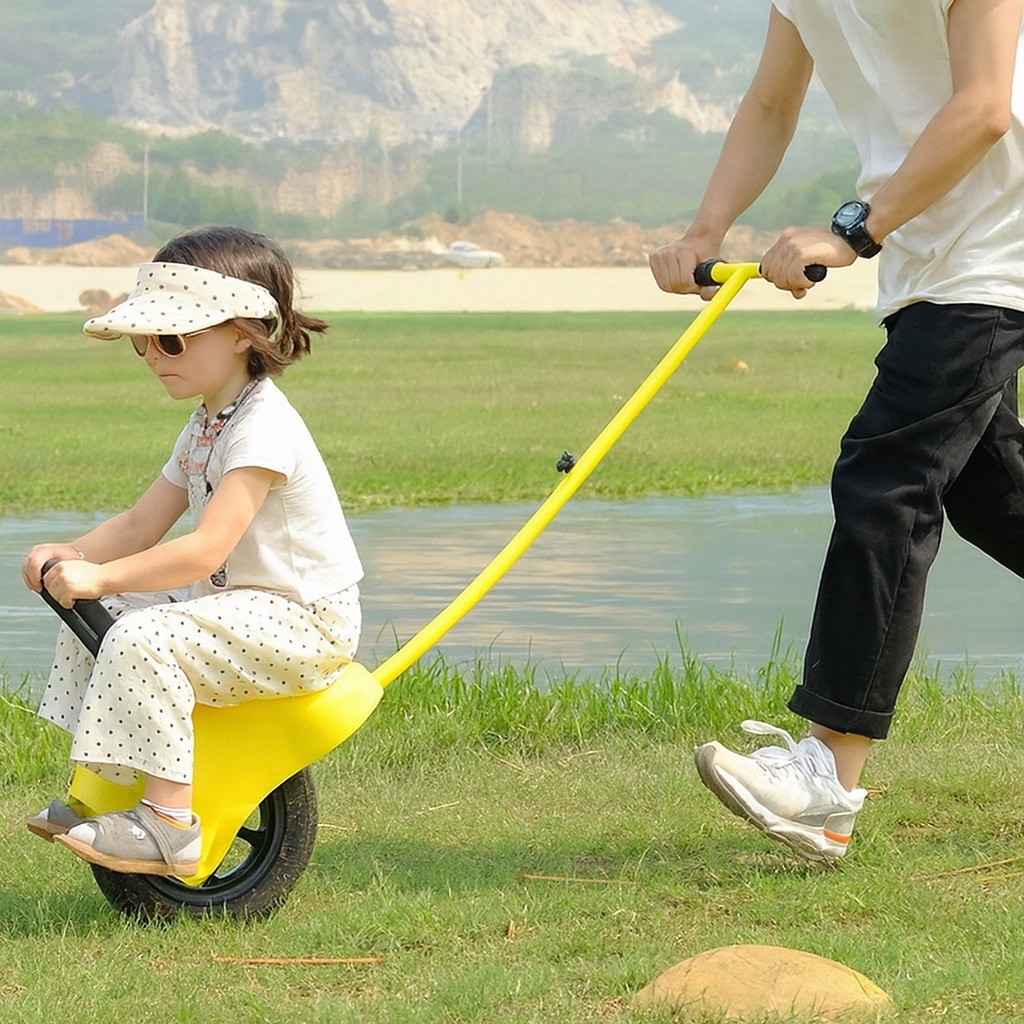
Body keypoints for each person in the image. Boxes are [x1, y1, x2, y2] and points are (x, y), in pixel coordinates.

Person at [649, 0, 1024, 862]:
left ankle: (827, 778)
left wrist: (855, 227)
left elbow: (984, 106)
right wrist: (705, 229)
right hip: (927, 250)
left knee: (887, 480)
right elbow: (770, 103)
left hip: (997, 246)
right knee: (991, 492)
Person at [21, 225, 364, 876]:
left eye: (171, 339)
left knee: (139, 635)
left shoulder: (263, 426)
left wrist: (99, 576)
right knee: (100, 614)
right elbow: (138, 524)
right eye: (144, 341)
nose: (154, 355)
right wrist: (71, 554)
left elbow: (206, 549)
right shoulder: (208, 421)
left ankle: (170, 824)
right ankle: (104, 785)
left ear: (242, 332)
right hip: (243, 608)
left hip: (304, 622)